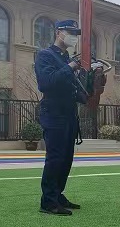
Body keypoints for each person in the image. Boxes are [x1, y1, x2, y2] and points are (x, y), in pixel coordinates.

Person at [34, 20, 88, 216]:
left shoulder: (67, 58)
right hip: (54, 112)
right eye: (70, 32)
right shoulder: (45, 55)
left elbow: (72, 89)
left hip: (68, 113)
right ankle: (48, 201)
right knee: (55, 157)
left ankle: (57, 194)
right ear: (58, 32)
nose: (74, 36)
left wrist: (89, 86)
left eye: (76, 33)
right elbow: (46, 83)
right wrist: (70, 67)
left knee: (66, 158)